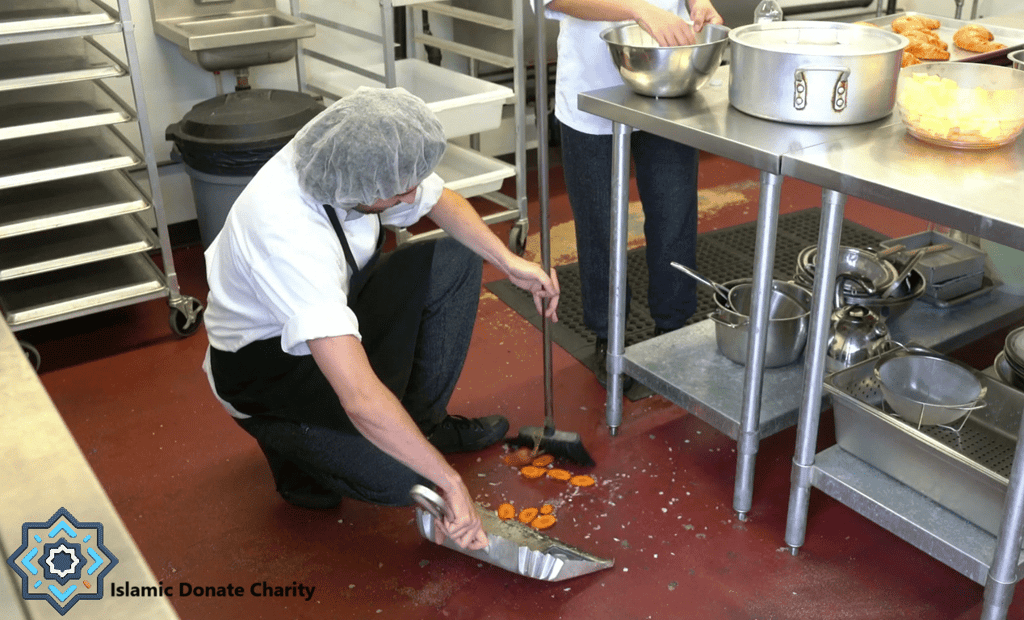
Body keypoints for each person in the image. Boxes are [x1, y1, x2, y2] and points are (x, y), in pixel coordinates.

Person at [201, 87, 560, 550]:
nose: (413, 193)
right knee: (407, 481)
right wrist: (447, 480)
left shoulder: (340, 154)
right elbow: (360, 397)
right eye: (399, 190)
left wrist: (511, 264)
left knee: (457, 258)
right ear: (360, 188)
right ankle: (290, 447)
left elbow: (438, 200)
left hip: (338, 309)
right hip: (269, 372)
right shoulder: (287, 235)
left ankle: (423, 426)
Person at [542, 0, 723, 386]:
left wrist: (698, 2)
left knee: (674, 211)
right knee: (600, 222)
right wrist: (640, 10)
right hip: (592, 84)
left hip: (670, 74)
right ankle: (610, 336)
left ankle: (673, 329)